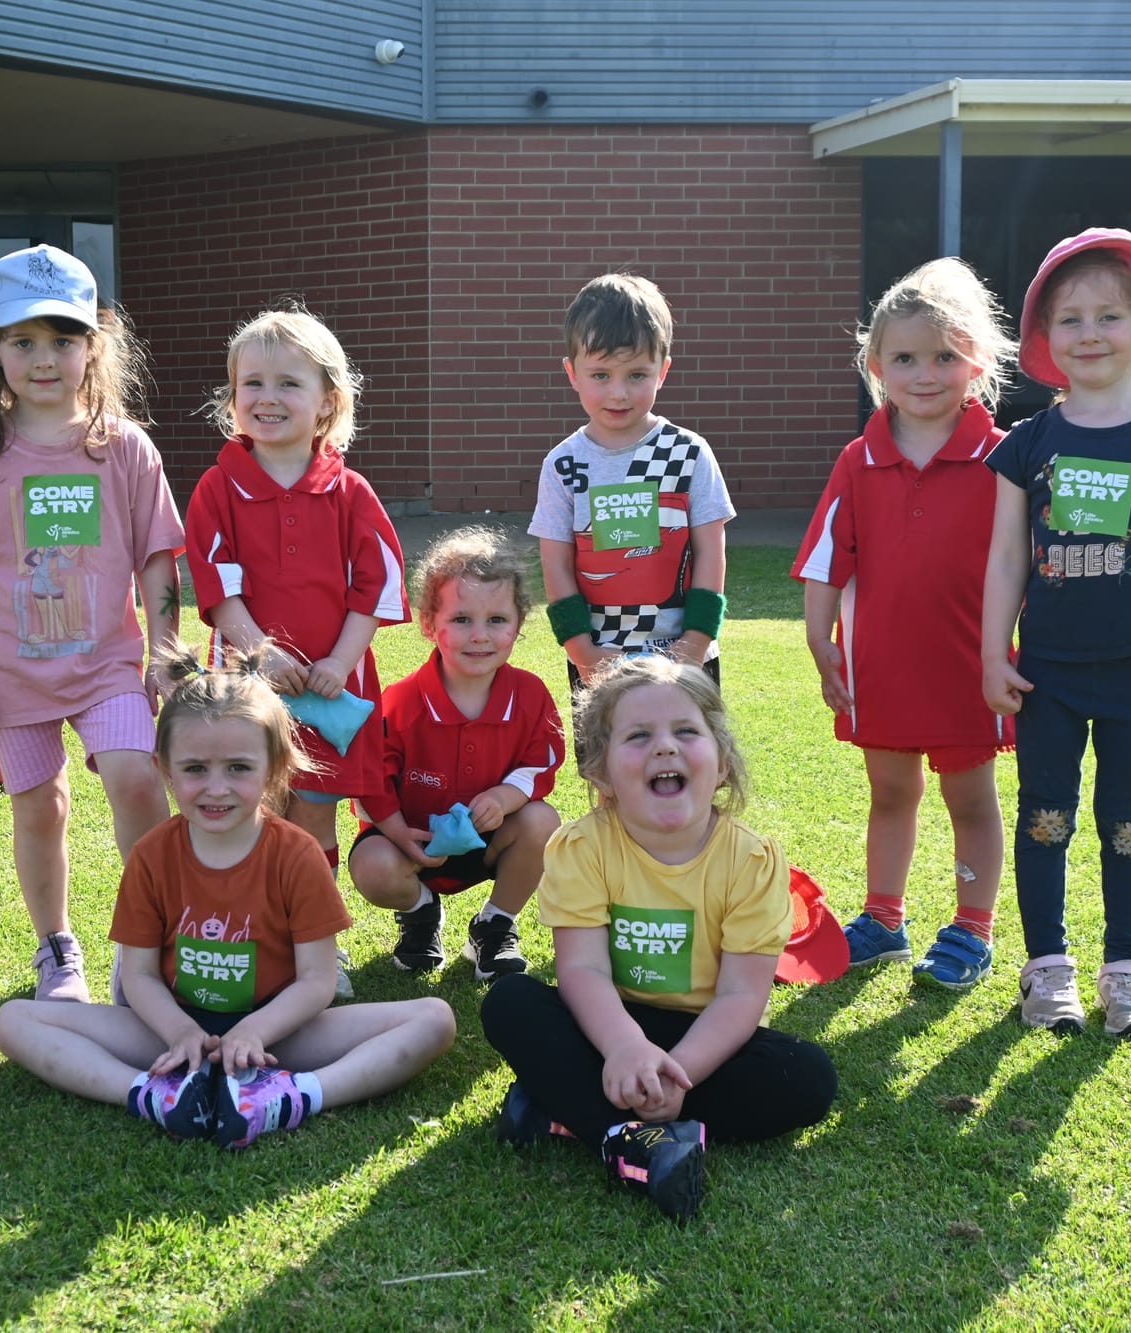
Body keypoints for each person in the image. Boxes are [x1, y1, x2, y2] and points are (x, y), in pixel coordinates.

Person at [0, 646, 456, 1149]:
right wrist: (180, 1034)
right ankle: (151, 1094)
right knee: (15, 1019)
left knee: (434, 1018)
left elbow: (318, 980)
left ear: (275, 768)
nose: (217, 788)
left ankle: (293, 1096)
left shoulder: (296, 855)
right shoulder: (152, 856)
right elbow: (141, 974)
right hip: (170, 1032)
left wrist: (256, 1032)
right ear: (164, 769)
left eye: (238, 767)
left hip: (281, 1034)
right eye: (195, 769)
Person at [0, 244, 183, 1002]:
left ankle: (149, 943)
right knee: (40, 806)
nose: (43, 358)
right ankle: (56, 949)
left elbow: (159, 556)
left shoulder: (123, 447)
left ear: (93, 347)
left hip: (107, 665)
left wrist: (165, 651)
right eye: (22, 341)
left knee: (135, 779)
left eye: (63, 340)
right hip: (9, 668)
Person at [480, 656, 838, 1222]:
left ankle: (565, 1110)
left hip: (703, 1037)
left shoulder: (752, 861)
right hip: (605, 1025)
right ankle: (631, 1141)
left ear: (720, 763)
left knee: (809, 1078)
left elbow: (742, 996)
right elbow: (583, 972)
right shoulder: (581, 848)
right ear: (600, 772)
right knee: (510, 1002)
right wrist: (624, 1047)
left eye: (686, 732)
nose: (665, 748)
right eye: (639, 735)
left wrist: (679, 1072)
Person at [983, 229, 1131, 1040]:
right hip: (1045, 672)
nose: (1090, 333)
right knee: (1044, 815)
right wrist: (994, 654)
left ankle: (1127, 972)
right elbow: (1008, 554)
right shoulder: (1029, 444)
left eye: (1109, 316)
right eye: (1071, 319)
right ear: (1045, 337)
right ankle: (1045, 968)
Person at [791, 259, 1018, 990]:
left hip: (969, 670)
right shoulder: (859, 460)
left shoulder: (1004, 456)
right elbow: (828, 557)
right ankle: (883, 920)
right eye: (906, 357)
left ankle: (971, 929)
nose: (926, 373)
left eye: (946, 356)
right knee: (889, 793)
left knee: (971, 800)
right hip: (880, 668)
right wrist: (819, 639)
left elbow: (1029, 563)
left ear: (977, 361)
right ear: (876, 365)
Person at [183, 307, 409, 998]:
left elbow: (378, 584)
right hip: (246, 689)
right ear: (232, 399)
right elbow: (216, 588)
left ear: (328, 402)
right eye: (252, 383)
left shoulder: (350, 491)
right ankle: (253, 935)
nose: (268, 398)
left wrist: (339, 661)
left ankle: (317, 947)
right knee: (250, 806)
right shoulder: (218, 487)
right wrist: (260, 654)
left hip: (332, 691)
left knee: (312, 814)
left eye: (289, 383)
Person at [347, 526, 564, 977]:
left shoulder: (529, 694)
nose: (480, 636)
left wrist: (505, 798)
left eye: (497, 620)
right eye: (462, 619)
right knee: (370, 864)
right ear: (430, 624)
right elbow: (370, 776)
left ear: (518, 625)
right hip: (411, 842)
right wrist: (396, 830)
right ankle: (421, 913)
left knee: (543, 821)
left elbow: (542, 759)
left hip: (490, 841)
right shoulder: (402, 701)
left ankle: (494, 925)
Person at [530, 273, 735, 691]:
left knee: (688, 757)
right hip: (599, 662)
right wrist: (582, 653)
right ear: (572, 373)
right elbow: (556, 565)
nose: (619, 393)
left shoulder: (689, 454)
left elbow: (711, 553)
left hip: (686, 660)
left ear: (663, 371)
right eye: (601, 375)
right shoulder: (562, 465)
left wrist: (695, 642)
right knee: (605, 759)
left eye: (637, 374)